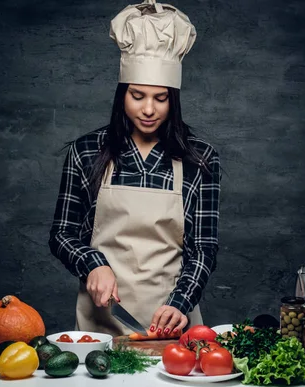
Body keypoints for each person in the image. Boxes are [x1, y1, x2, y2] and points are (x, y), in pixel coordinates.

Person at [48, 0, 221, 337]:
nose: (148, 110)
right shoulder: (86, 151)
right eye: (137, 95)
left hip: (172, 325)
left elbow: (204, 248)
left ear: (174, 99)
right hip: (100, 327)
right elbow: (61, 234)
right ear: (121, 95)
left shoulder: (200, 158)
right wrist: (92, 263)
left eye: (161, 98)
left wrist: (180, 302)